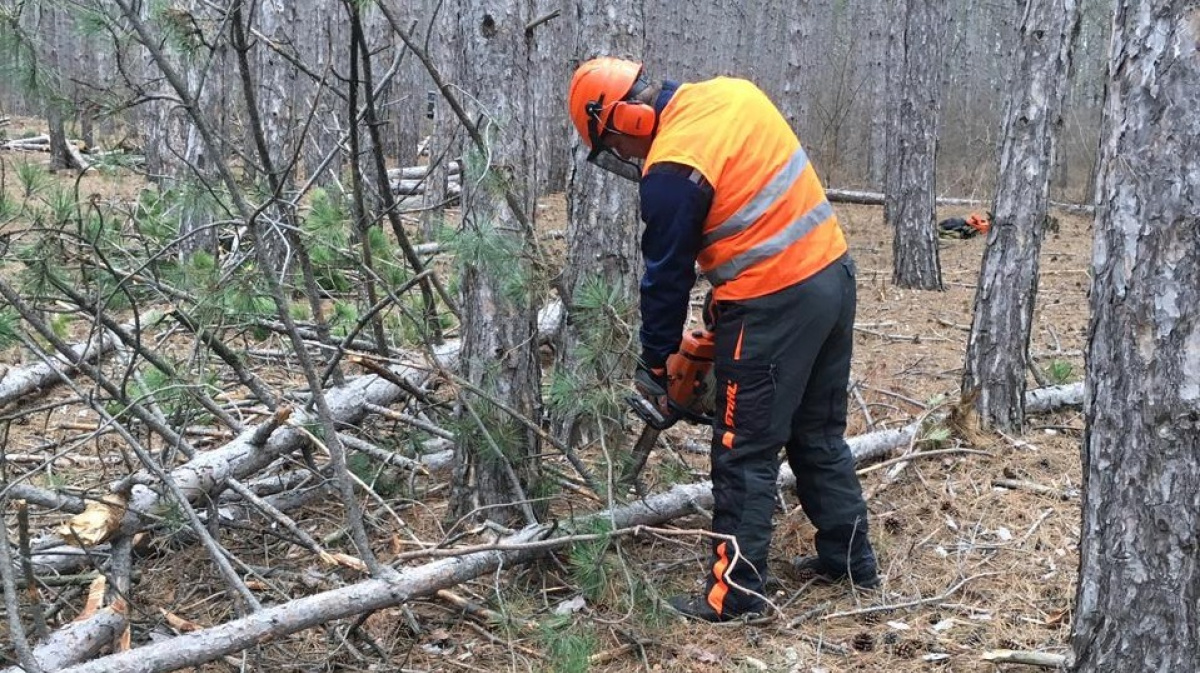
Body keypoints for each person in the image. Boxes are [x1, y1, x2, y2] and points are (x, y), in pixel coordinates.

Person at [566, 57, 879, 622]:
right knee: (818, 433)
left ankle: (735, 595)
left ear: (628, 119)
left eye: (617, 143)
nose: (626, 157)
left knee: (743, 450)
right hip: (832, 276)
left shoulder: (671, 168)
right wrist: (722, 306)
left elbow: (664, 279)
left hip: (774, 302)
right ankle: (851, 561)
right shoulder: (730, 94)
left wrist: (657, 365)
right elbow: (755, 207)